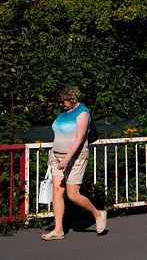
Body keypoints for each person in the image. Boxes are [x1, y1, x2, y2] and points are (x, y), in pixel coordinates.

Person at [41, 86, 107, 240]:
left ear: (70, 97)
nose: (61, 104)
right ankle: (58, 229)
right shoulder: (63, 113)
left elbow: (80, 137)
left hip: (75, 157)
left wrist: (67, 158)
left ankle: (98, 214)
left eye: (63, 101)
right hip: (57, 157)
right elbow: (58, 135)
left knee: (73, 195)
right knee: (57, 191)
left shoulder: (82, 112)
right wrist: (51, 153)